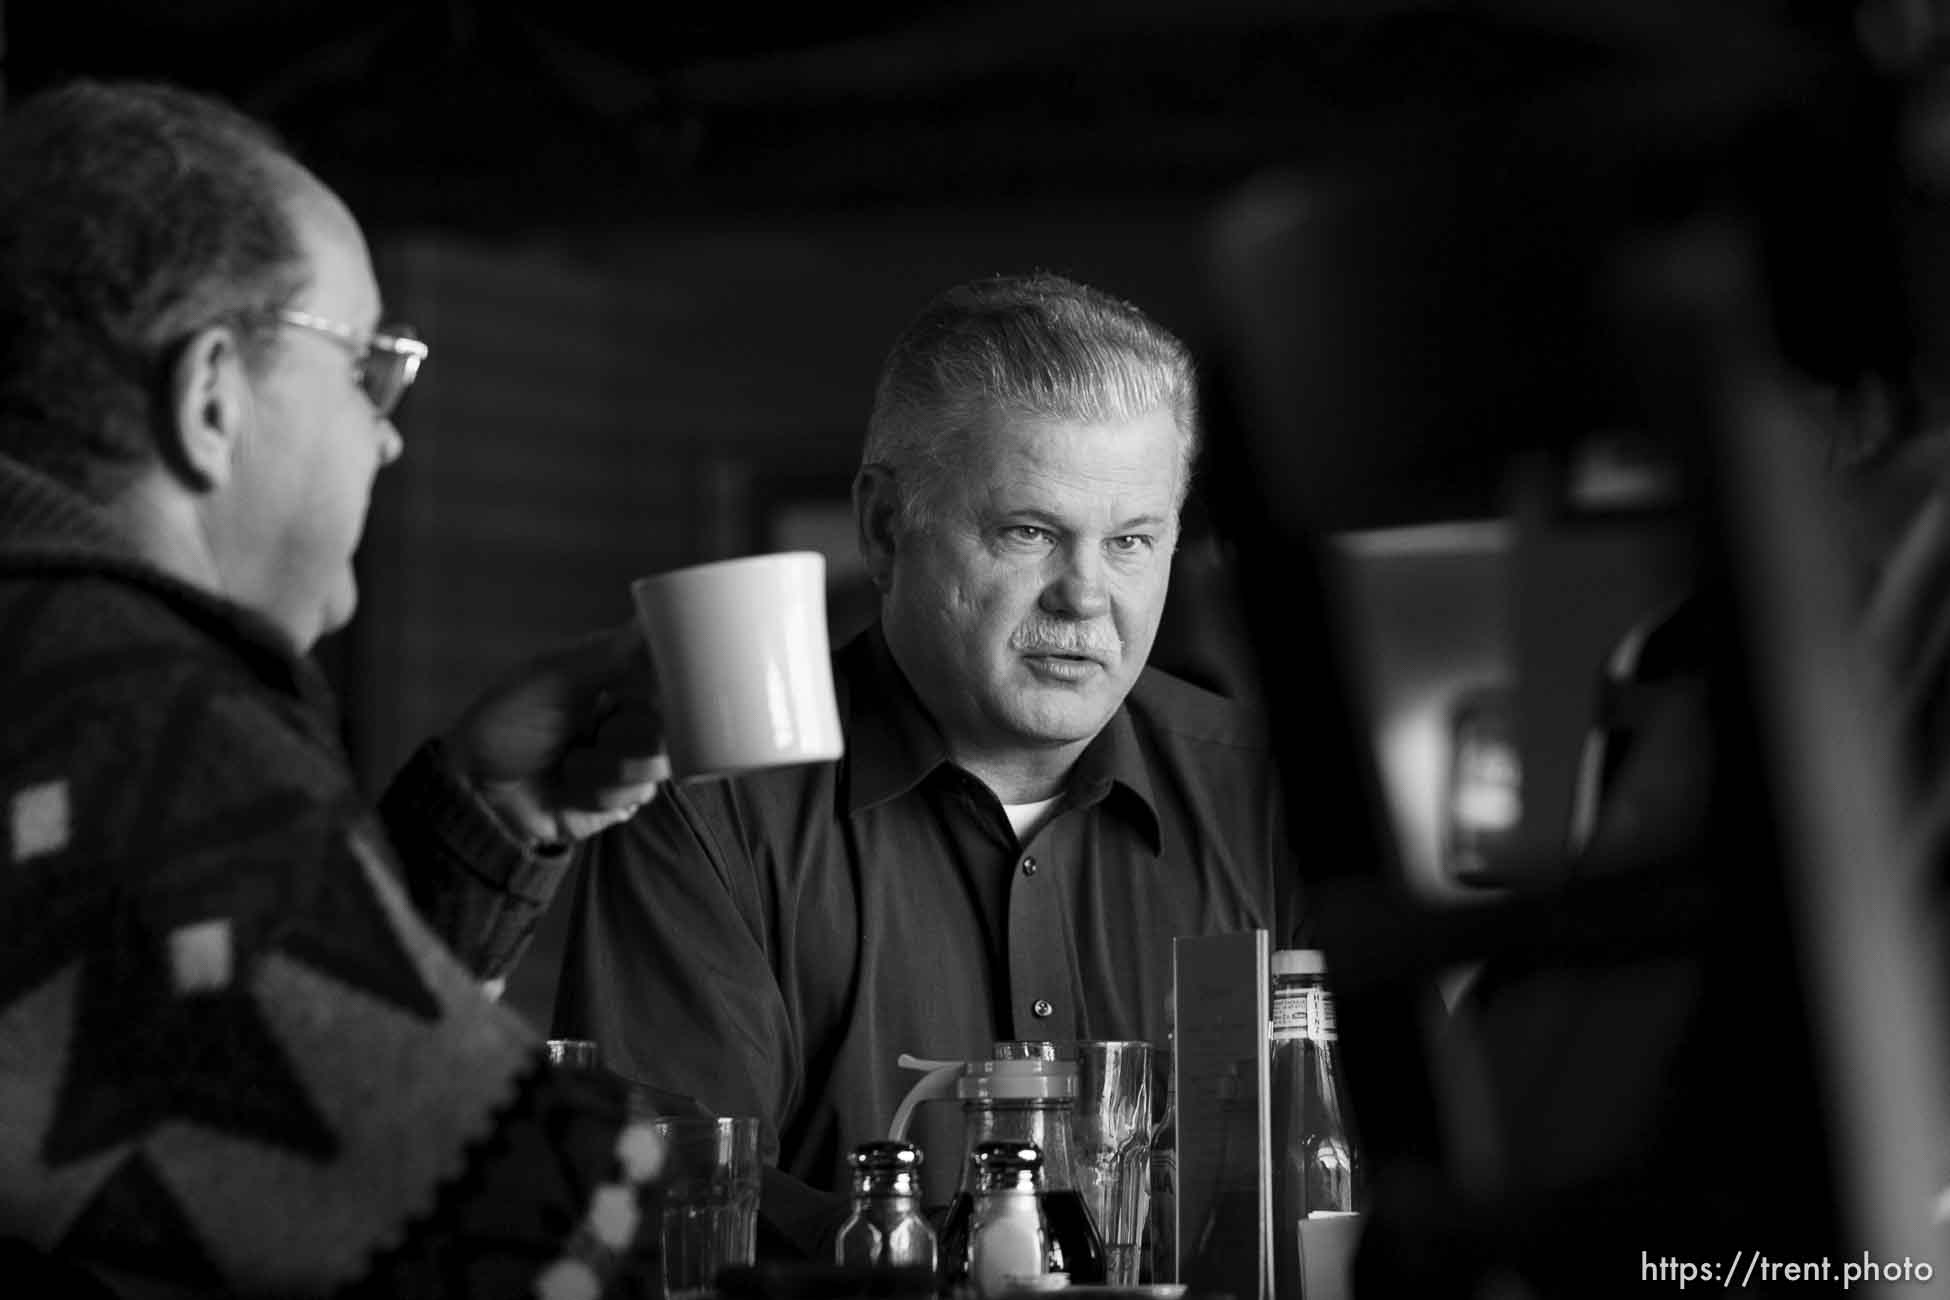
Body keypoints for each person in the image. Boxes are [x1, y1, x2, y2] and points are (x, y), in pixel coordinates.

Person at [0, 79, 672, 1297]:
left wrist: (485, 816)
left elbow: (202, 1057)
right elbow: (523, 1235)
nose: (390, 435)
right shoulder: (122, 708)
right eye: (368, 369)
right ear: (211, 396)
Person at [554, 271, 1301, 1253]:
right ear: (882, 526)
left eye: (1130, 542)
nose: (1084, 598)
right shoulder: (709, 809)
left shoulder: (1274, 794)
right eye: (1028, 533)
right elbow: (661, 1208)